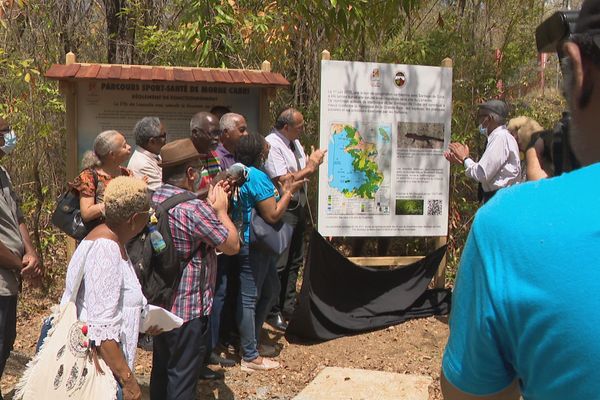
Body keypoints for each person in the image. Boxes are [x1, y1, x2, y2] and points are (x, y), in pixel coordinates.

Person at [441, 2, 600, 398]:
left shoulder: (507, 223)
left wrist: (465, 160)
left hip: (504, 207)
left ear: (577, 69)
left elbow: (484, 175)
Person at [150, 138, 240, 400]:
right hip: (188, 307)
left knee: (162, 371)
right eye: (198, 169)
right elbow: (232, 244)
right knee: (183, 376)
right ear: (190, 173)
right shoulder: (194, 209)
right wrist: (221, 210)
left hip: (159, 301)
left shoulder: (153, 198)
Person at [59, 176, 156, 400]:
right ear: (134, 219)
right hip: (100, 373)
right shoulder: (106, 250)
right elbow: (102, 330)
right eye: (146, 214)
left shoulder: (111, 240)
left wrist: (144, 321)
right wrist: (129, 382)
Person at [233, 132, 304, 371]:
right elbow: (272, 213)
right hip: (253, 245)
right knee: (249, 297)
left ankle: (252, 339)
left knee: (270, 289)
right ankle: (250, 355)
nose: (267, 155)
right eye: (265, 152)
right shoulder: (257, 177)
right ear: (258, 154)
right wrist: (288, 192)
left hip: (251, 244)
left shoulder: (238, 171)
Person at [263, 108, 326, 331]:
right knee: (280, 260)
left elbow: (300, 171)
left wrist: (309, 165)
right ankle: (271, 310)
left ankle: (287, 305)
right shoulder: (272, 144)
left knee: (295, 259)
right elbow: (283, 181)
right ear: (286, 127)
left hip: (299, 205)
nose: (302, 130)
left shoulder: (294, 142)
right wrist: (311, 167)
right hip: (283, 207)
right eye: (299, 127)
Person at [0, 117, 42, 400]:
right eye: (5, 132)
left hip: (12, 274)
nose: (10, 135)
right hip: (3, 276)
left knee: (6, 341)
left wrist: (30, 252)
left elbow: (18, 215)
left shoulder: (3, 171)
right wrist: (22, 265)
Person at [205, 112, 249, 369]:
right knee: (217, 290)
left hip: (233, 230)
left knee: (228, 287)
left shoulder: (237, 158)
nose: (245, 134)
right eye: (241, 130)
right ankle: (212, 344)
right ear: (226, 133)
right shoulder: (217, 159)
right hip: (217, 233)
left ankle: (225, 335)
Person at [444, 100, 520, 203]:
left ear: (489, 118)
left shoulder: (500, 138)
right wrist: (463, 162)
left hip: (501, 200)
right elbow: (487, 170)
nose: (479, 121)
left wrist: (465, 158)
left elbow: (482, 174)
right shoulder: (499, 138)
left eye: (480, 116)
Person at [70, 130, 132, 226]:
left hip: (126, 235)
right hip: (100, 236)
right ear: (112, 154)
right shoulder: (88, 177)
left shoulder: (127, 173)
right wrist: (115, 203)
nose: (129, 147)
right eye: (124, 146)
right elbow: (86, 214)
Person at [127, 117, 167, 191]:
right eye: (163, 136)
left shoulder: (154, 154)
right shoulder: (142, 164)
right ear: (152, 141)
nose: (165, 140)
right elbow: (163, 191)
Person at [190, 111, 222, 196]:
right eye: (213, 133)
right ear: (195, 133)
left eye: (218, 133)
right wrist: (217, 182)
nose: (217, 138)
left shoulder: (214, 155)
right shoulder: (183, 159)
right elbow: (183, 197)